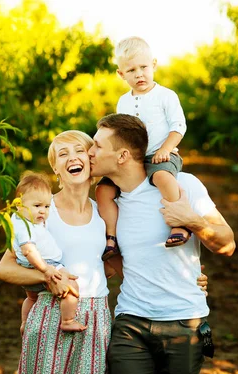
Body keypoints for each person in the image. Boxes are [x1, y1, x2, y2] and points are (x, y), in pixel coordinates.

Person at [0, 129, 209, 374]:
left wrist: (187, 279)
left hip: (96, 317)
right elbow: (4, 269)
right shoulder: (41, 210)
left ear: (91, 160)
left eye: (80, 151)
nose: (72, 157)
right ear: (55, 168)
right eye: (63, 154)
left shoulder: (105, 211)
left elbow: (125, 262)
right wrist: (49, 278)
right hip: (52, 312)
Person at [88, 113, 235, 374]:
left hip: (184, 323)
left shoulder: (184, 185)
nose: (90, 152)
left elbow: (227, 244)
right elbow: (106, 257)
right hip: (131, 323)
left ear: (122, 156)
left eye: (97, 146)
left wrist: (192, 221)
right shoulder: (106, 204)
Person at [97, 36, 189, 261]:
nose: (139, 74)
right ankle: (111, 237)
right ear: (121, 74)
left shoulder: (165, 95)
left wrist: (166, 149)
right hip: (132, 158)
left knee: (163, 178)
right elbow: (121, 134)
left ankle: (180, 224)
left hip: (160, 155)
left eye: (143, 67)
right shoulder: (123, 102)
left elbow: (178, 126)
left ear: (154, 65)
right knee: (104, 189)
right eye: (131, 70)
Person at [10, 171, 86, 334]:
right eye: (37, 206)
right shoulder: (24, 226)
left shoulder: (19, 219)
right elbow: (29, 250)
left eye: (46, 206)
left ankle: (24, 322)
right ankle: (68, 320)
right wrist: (46, 270)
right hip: (45, 265)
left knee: (31, 298)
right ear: (19, 205)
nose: (43, 211)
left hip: (31, 268)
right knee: (71, 286)